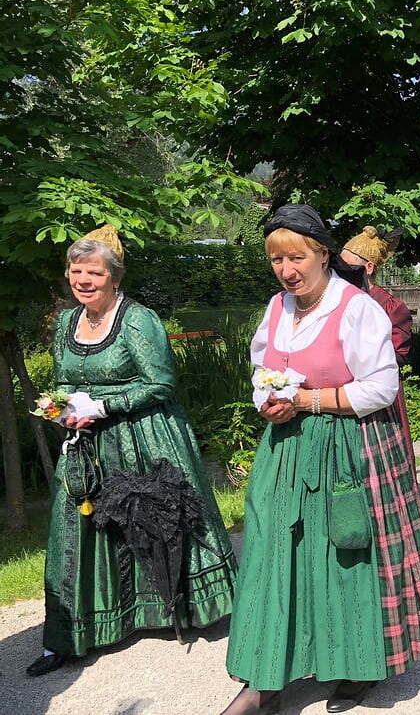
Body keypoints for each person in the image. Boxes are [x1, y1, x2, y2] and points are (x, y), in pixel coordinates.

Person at [222, 205, 420, 714]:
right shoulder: (277, 308)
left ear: (323, 254)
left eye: (296, 258)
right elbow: (261, 370)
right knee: (274, 552)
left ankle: (358, 663)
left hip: (351, 446)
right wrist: (268, 400)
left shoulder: (356, 307)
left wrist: (309, 401)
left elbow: (381, 388)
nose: (286, 270)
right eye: (277, 260)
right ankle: (266, 677)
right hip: (286, 449)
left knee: (347, 552)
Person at [28, 226, 237, 677]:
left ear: (115, 277)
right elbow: (64, 378)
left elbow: (160, 383)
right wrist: (63, 407)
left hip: (143, 435)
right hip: (87, 444)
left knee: (154, 516)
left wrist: (105, 405)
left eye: (94, 272)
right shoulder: (67, 322)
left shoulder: (139, 320)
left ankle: (174, 609)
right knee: (75, 529)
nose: (83, 280)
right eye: (76, 271)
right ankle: (71, 634)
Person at [340, 225, 415, 458]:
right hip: (341, 393)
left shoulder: (391, 307)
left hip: (379, 396)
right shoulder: (338, 300)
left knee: (378, 460)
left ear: (369, 267)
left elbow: (398, 355)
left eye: (348, 266)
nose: (342, 272)